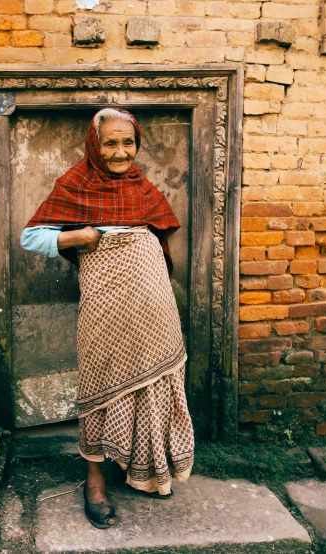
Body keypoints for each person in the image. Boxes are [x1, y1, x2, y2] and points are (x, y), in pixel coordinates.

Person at [20, 108, 195, 529]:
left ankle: (147, 468)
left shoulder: (142, 186)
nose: (121, 152)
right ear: (94, 145)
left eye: (128, 142)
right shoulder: (75, 183)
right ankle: (94, 478)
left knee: (155, 377)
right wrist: (80, 236)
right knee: (101, 377)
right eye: (111, 143)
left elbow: (158, 233)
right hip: (104, 297)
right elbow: (30, 236)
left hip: (152, 298)